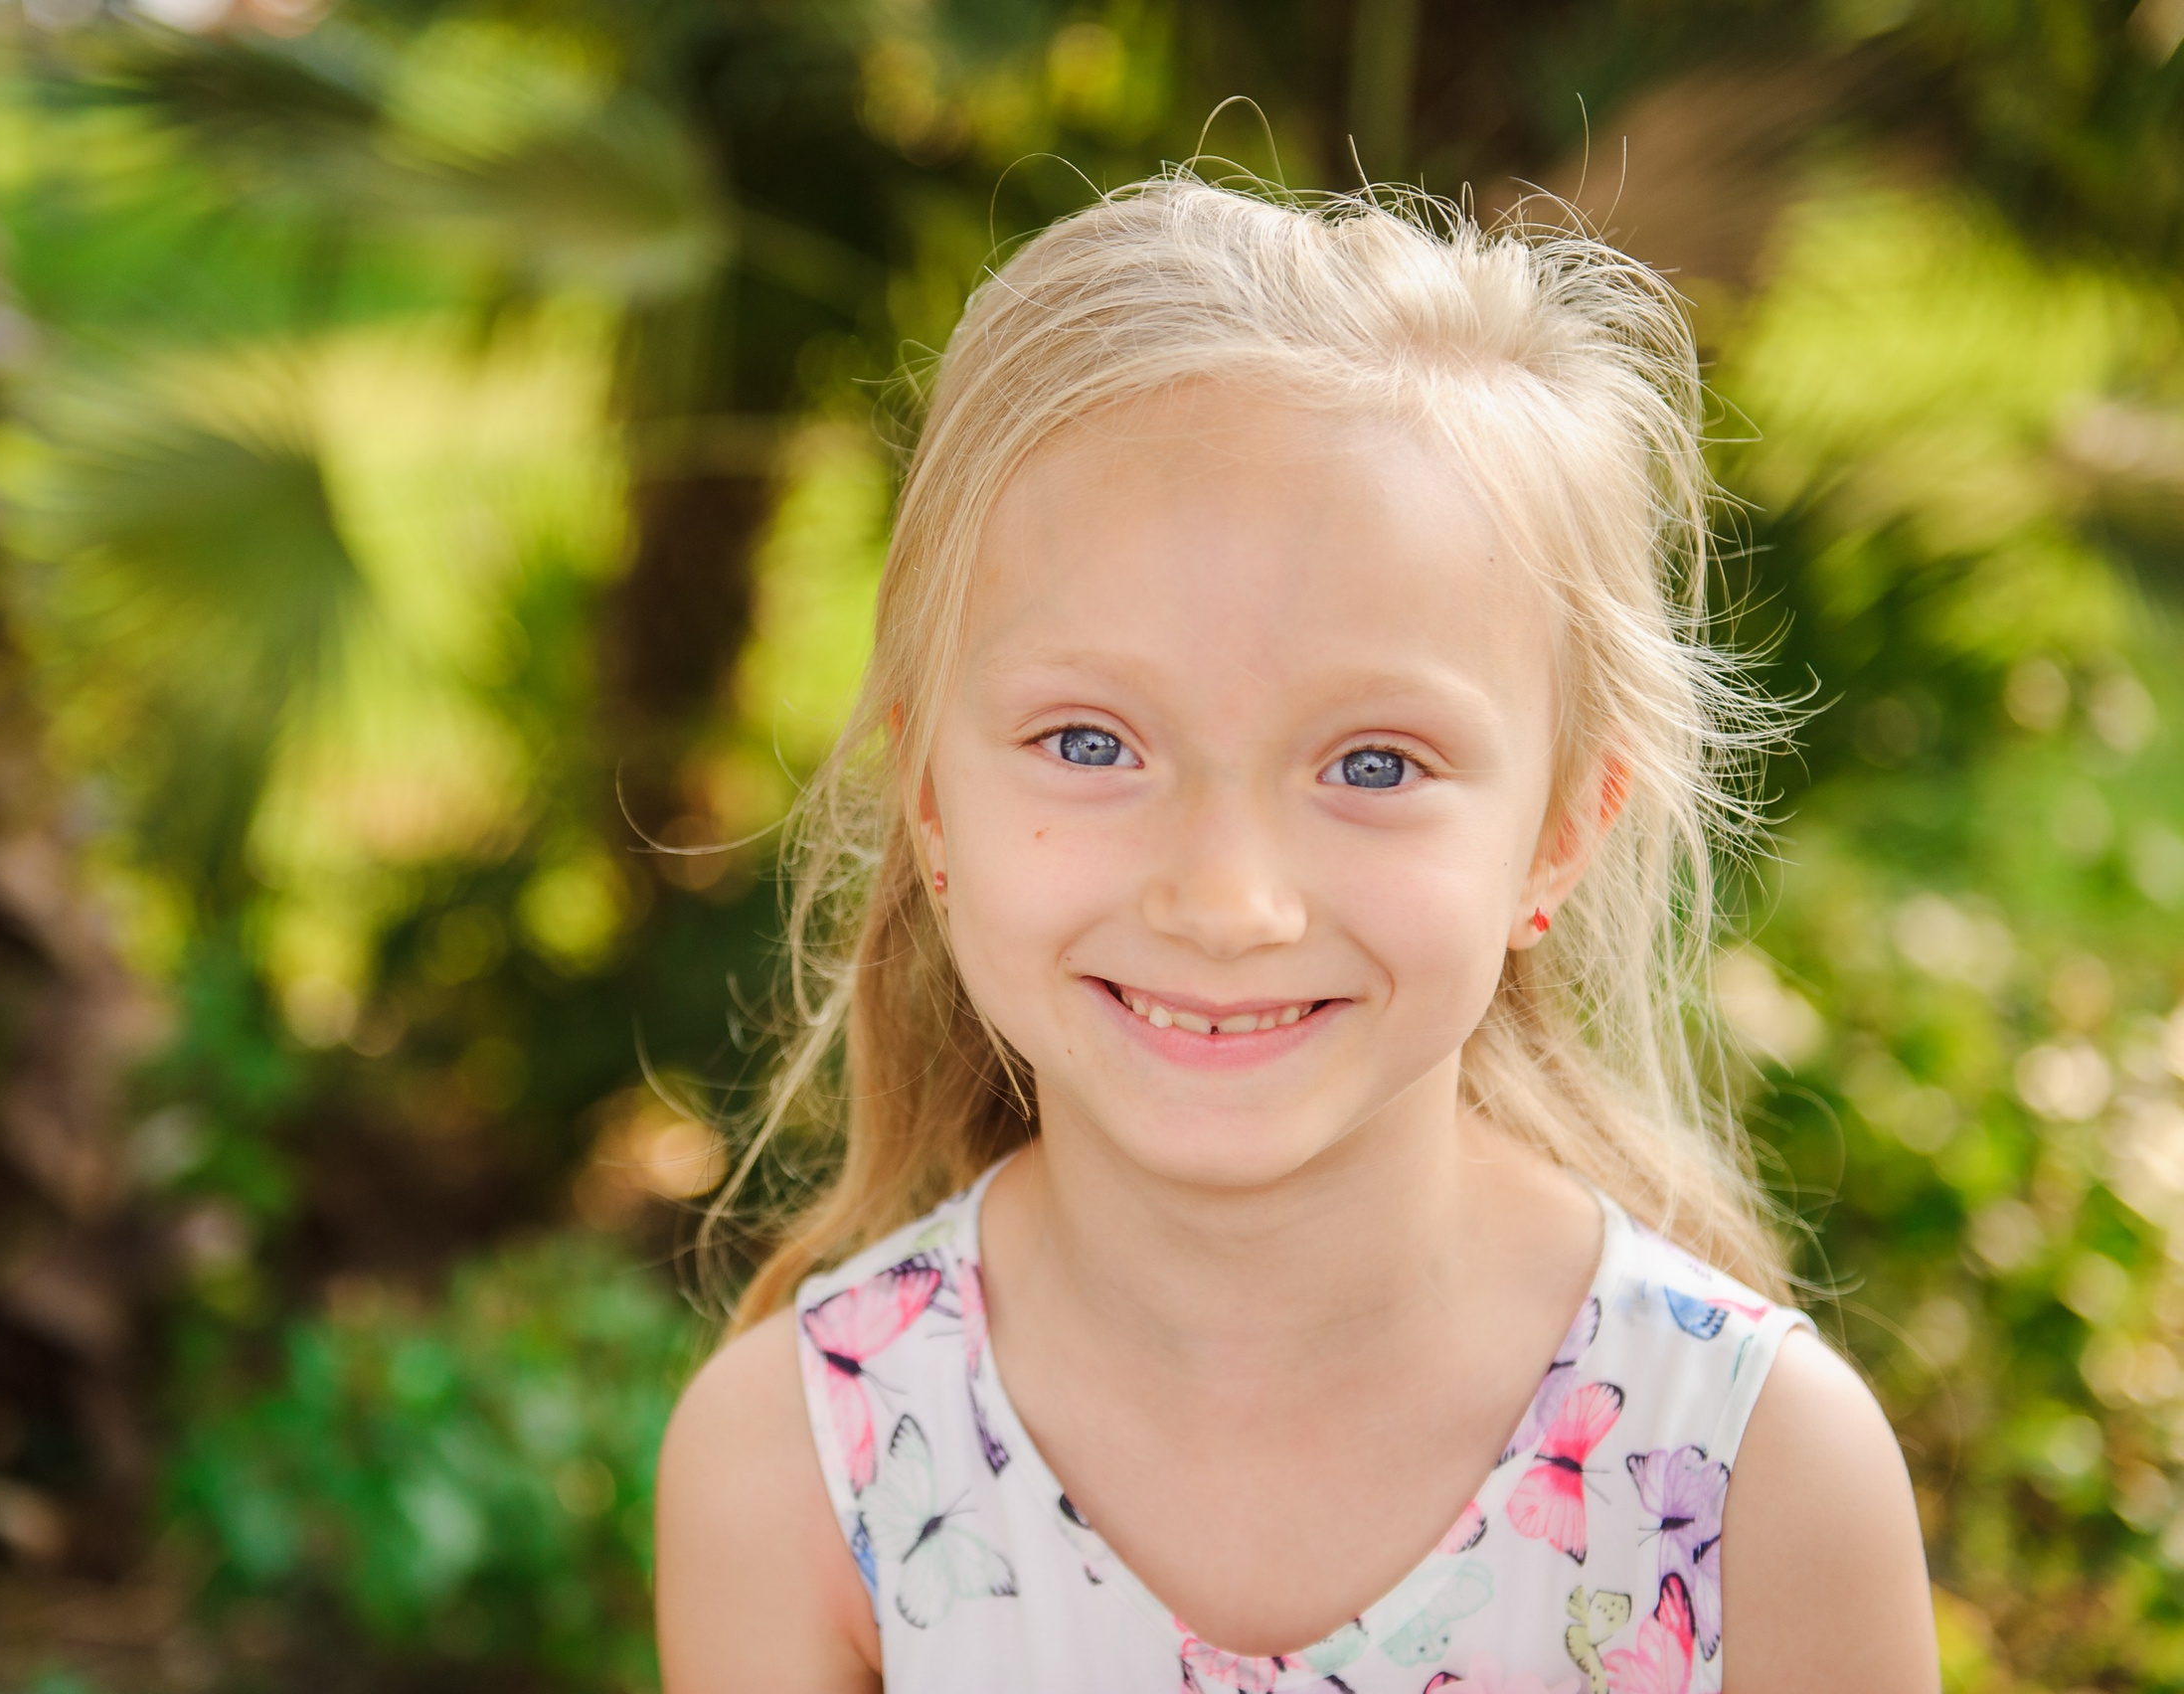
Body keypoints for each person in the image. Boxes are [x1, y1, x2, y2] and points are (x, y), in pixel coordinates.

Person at [653, 172, 1937, 1693]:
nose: (1227, 901)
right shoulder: (800, 1472)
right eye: (1088, 742)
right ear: (930, 795)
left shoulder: (1756, 1483)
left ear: (1561, 832)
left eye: (1374, 766)